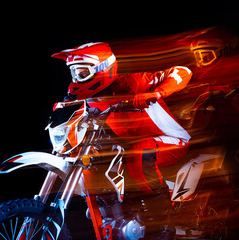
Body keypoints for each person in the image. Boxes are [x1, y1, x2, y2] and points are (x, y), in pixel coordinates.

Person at [52, 42, 192, 239]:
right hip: (129, 148)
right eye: (75, 74)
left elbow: (182, 71)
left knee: (138, 155)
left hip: (171, 141)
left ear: (102, 69)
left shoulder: (133, 83)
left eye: (83, 74)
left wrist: (155, 94)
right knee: (97, 167)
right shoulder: (88, 102)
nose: (77, 80)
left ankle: (163, 229)